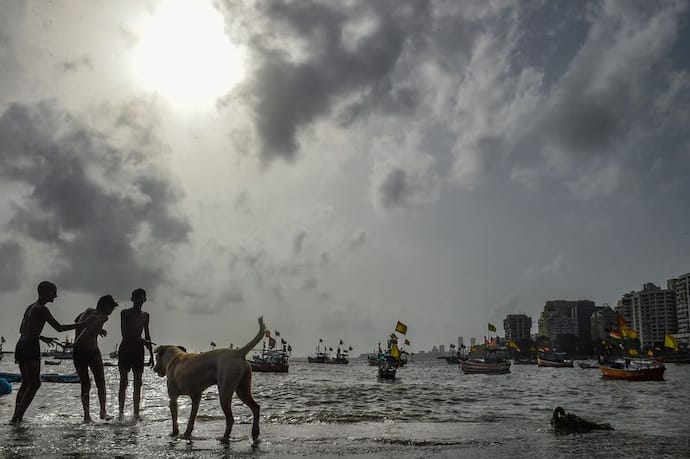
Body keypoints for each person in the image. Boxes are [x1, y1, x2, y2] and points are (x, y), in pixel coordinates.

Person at [11, 281, 80, 423]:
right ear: (44, 293)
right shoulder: (42, 309)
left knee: (26, 383)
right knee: (35, 383)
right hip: (30, 346)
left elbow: (22, 330)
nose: (56, 295)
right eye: (53, 292)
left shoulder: (30, 307)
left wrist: (41, 337)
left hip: (21, 344)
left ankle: (16, 416)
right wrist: (82, 324)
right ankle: (17, 417)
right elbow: (59, 328)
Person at [73, 295, 118, 423]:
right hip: (89, 351)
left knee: (86, 383)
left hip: (79, 352)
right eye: (111, 307)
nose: (111, 311)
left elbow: (77, 320)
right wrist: (76, 342)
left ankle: (87, 416)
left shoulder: (88, 311)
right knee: (98, 382)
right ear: (104, 305)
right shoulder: (103, 317)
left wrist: (98, 330)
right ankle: (101, 412)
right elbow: (86, 332)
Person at [118, 288, 153, 420]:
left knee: (138, 383)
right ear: (132, 299)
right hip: (126, 348)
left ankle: (136, 413)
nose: (139, 301)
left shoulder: (146, 315)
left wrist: (151, 356)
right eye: (137, 298)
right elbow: (125, 333)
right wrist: (142, 340)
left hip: (139, 350)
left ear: (144, 299)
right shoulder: (125, 313)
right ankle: (121, 413)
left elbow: (147, 334)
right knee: (124, 382)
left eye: (142, 298)